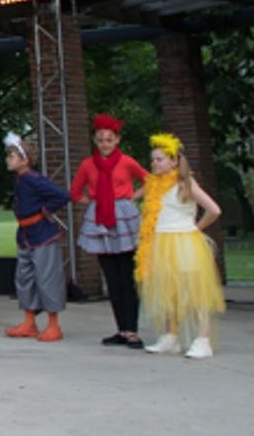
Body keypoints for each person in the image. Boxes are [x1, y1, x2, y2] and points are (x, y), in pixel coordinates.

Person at [138, 134, 225, 359]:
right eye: (153, 160)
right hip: (161, 242)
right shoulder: (153, 186)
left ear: (174, 161)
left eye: (159, 159)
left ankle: (203, 338)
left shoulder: (185, 184)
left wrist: (198, 227)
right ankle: (171, 336)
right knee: (168, 291)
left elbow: (214, 210)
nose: (154, 163)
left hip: (183, 242)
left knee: (194, 291)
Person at [70, 113, 147, 348]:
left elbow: (149, 180)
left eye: (109, 139)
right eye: (101, 139)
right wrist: (93, 204)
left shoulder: (126, 162)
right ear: (95, 140)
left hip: (123, 218)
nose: (105, 144)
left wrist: (131, 197)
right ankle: (121, 330)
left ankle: (132, 330)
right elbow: (74, 191)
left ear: (117, 140)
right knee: (112, 278)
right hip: (101, 219)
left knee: (127, 276)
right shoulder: (87, 165)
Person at [1, 134, 71, 342]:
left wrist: (44, 212)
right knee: (24, 279)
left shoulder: (34, 179)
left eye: (13, 156)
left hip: (42, 235)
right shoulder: (20, 180)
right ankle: (29, 322)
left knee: (47, 278)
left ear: (25, 160)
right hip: (25, 235)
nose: (8, 160)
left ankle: (53, 324)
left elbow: (62, 195)